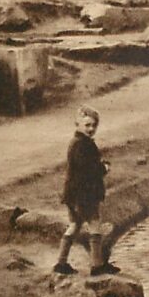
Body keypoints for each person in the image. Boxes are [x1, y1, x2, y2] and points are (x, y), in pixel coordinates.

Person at [54, 106, 120, 277]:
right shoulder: (82, 145)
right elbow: (88, 170)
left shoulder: (79, 143)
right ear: (78, 125)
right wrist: (103, 168)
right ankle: (97, 265)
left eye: (94, 126)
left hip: (73, 193)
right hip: (83, 194)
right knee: (94, 224)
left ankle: (61, 263)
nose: (91, 129)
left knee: (75, 225)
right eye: (87, 125)